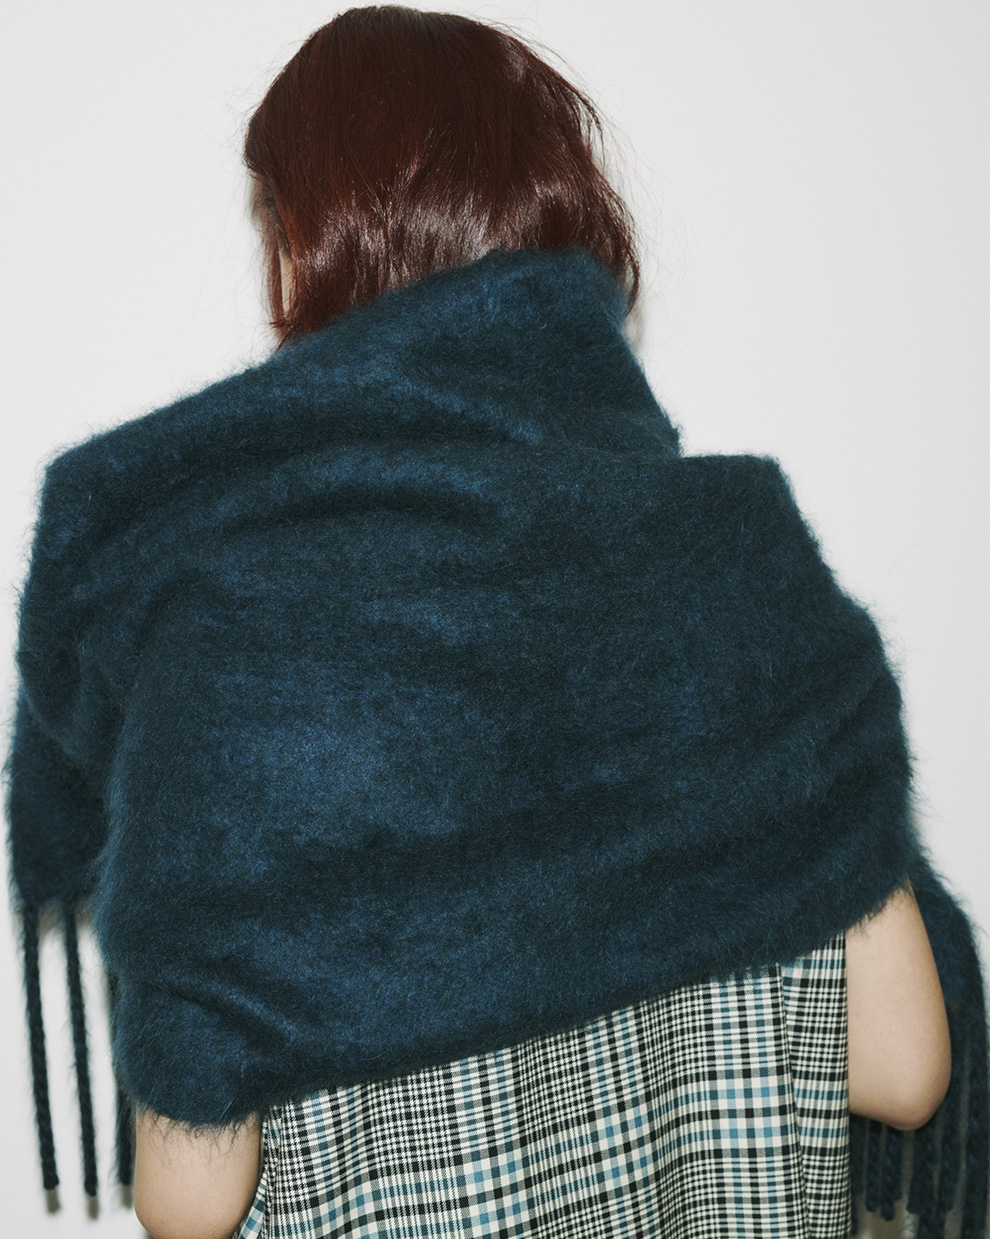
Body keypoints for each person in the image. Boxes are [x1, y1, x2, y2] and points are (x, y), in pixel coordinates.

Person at [5, 8, 986, 1239]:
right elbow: (905, 1067)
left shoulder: (228, 658)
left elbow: (191, 1206)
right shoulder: (744, 569)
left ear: (304, 247)